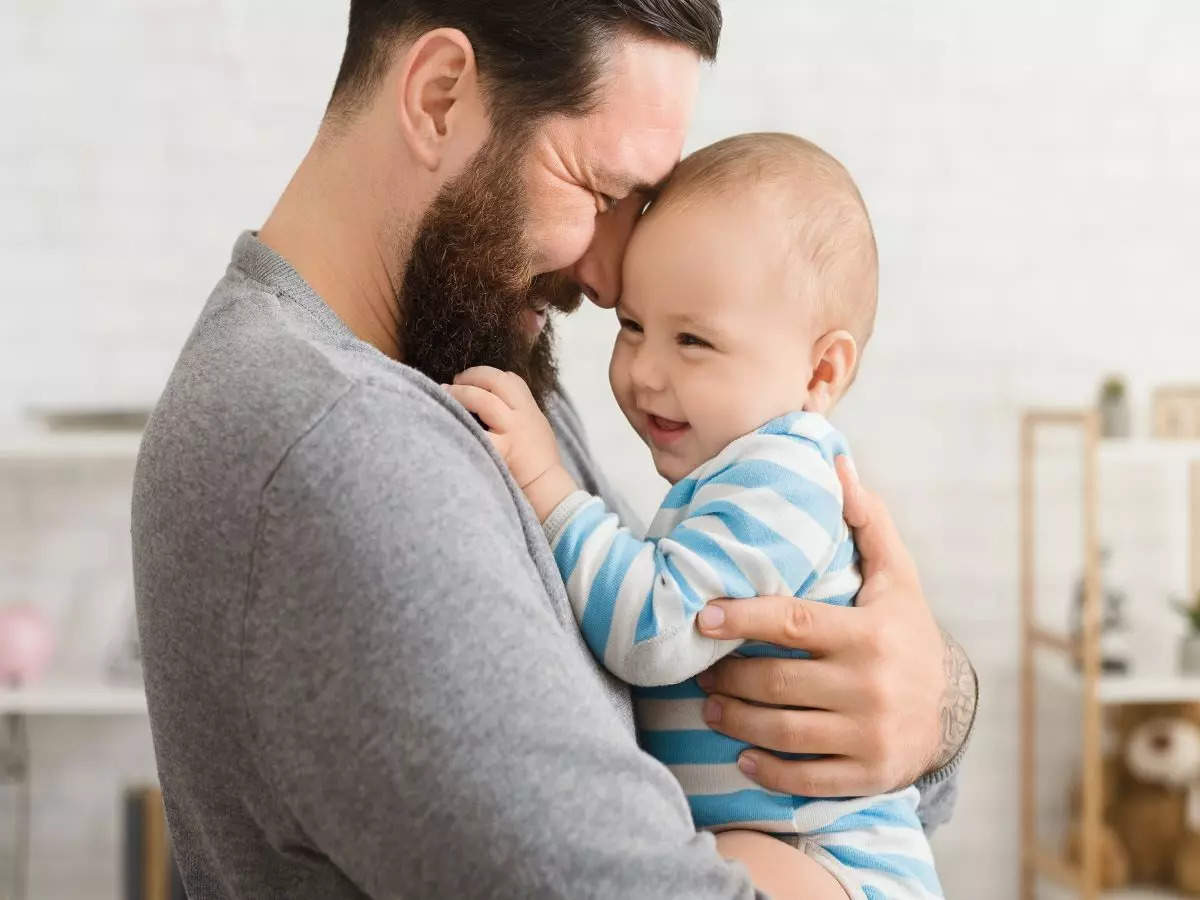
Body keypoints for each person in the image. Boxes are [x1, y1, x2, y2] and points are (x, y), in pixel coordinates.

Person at [131, 3, 977, 898]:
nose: (611, 278)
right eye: (600, 193)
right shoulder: (340, 449)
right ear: (440, 97)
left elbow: (668, 640)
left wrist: (933, 708)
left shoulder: (463, 362)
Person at [449, 132, 942, 900]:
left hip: (833, 861)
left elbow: (653, 629)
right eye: (633, 327)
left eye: (693, 340)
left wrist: (547, 486)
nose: (645, 371)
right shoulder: (734, 480)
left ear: (821, 371)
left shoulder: (784, 479)